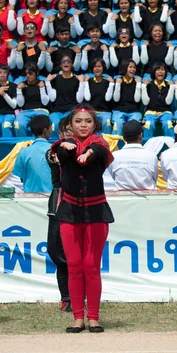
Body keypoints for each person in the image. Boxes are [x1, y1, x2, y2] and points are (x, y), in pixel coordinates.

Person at [50, 104, 114, 334]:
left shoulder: (100, 144)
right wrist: (67, 147)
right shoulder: (61, 146)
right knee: (75, 266)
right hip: (69, 213)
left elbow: (100, 152)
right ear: (70, 125)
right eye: (78, 121)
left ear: (94, 125)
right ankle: (78, 317)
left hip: (96, 213)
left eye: (87, 121)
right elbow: (59, 152)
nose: (83, 125)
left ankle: (94, 317)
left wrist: (87, 153)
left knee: (91, 266)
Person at [45, 115, 72, 313]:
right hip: (59, 201)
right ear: (60, 133)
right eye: (68, 131)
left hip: (83, 201)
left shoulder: (91, 149)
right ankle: (66, 298)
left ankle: (82, 297)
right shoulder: (52, 152)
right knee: (58, 253)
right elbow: (54, 158)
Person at [107, 120, 159, 190]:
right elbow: (155, 178)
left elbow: (113, 177)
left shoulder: (114, 156)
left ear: (124, 138)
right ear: (140, 136)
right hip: (147, 198)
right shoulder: (151, 156)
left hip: (121, 198)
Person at [13, 115, 53, 193]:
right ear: (45, 130)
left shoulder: (23, 152)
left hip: (30, 199)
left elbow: (21, 177)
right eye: (50, 128)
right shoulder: (55, 149)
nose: (51, 131)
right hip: (52, 197)